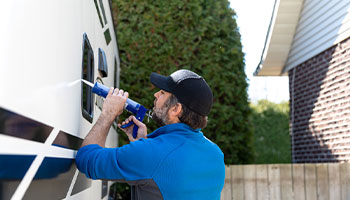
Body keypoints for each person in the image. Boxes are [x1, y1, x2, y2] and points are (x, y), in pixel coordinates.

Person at [76, 69, 225, 200]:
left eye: (162, 93)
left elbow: (86, 160)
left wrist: (108, 114)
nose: (155, 94)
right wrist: (143, 142)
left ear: (175, 109)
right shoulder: (216, 154)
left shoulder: (151, 153)